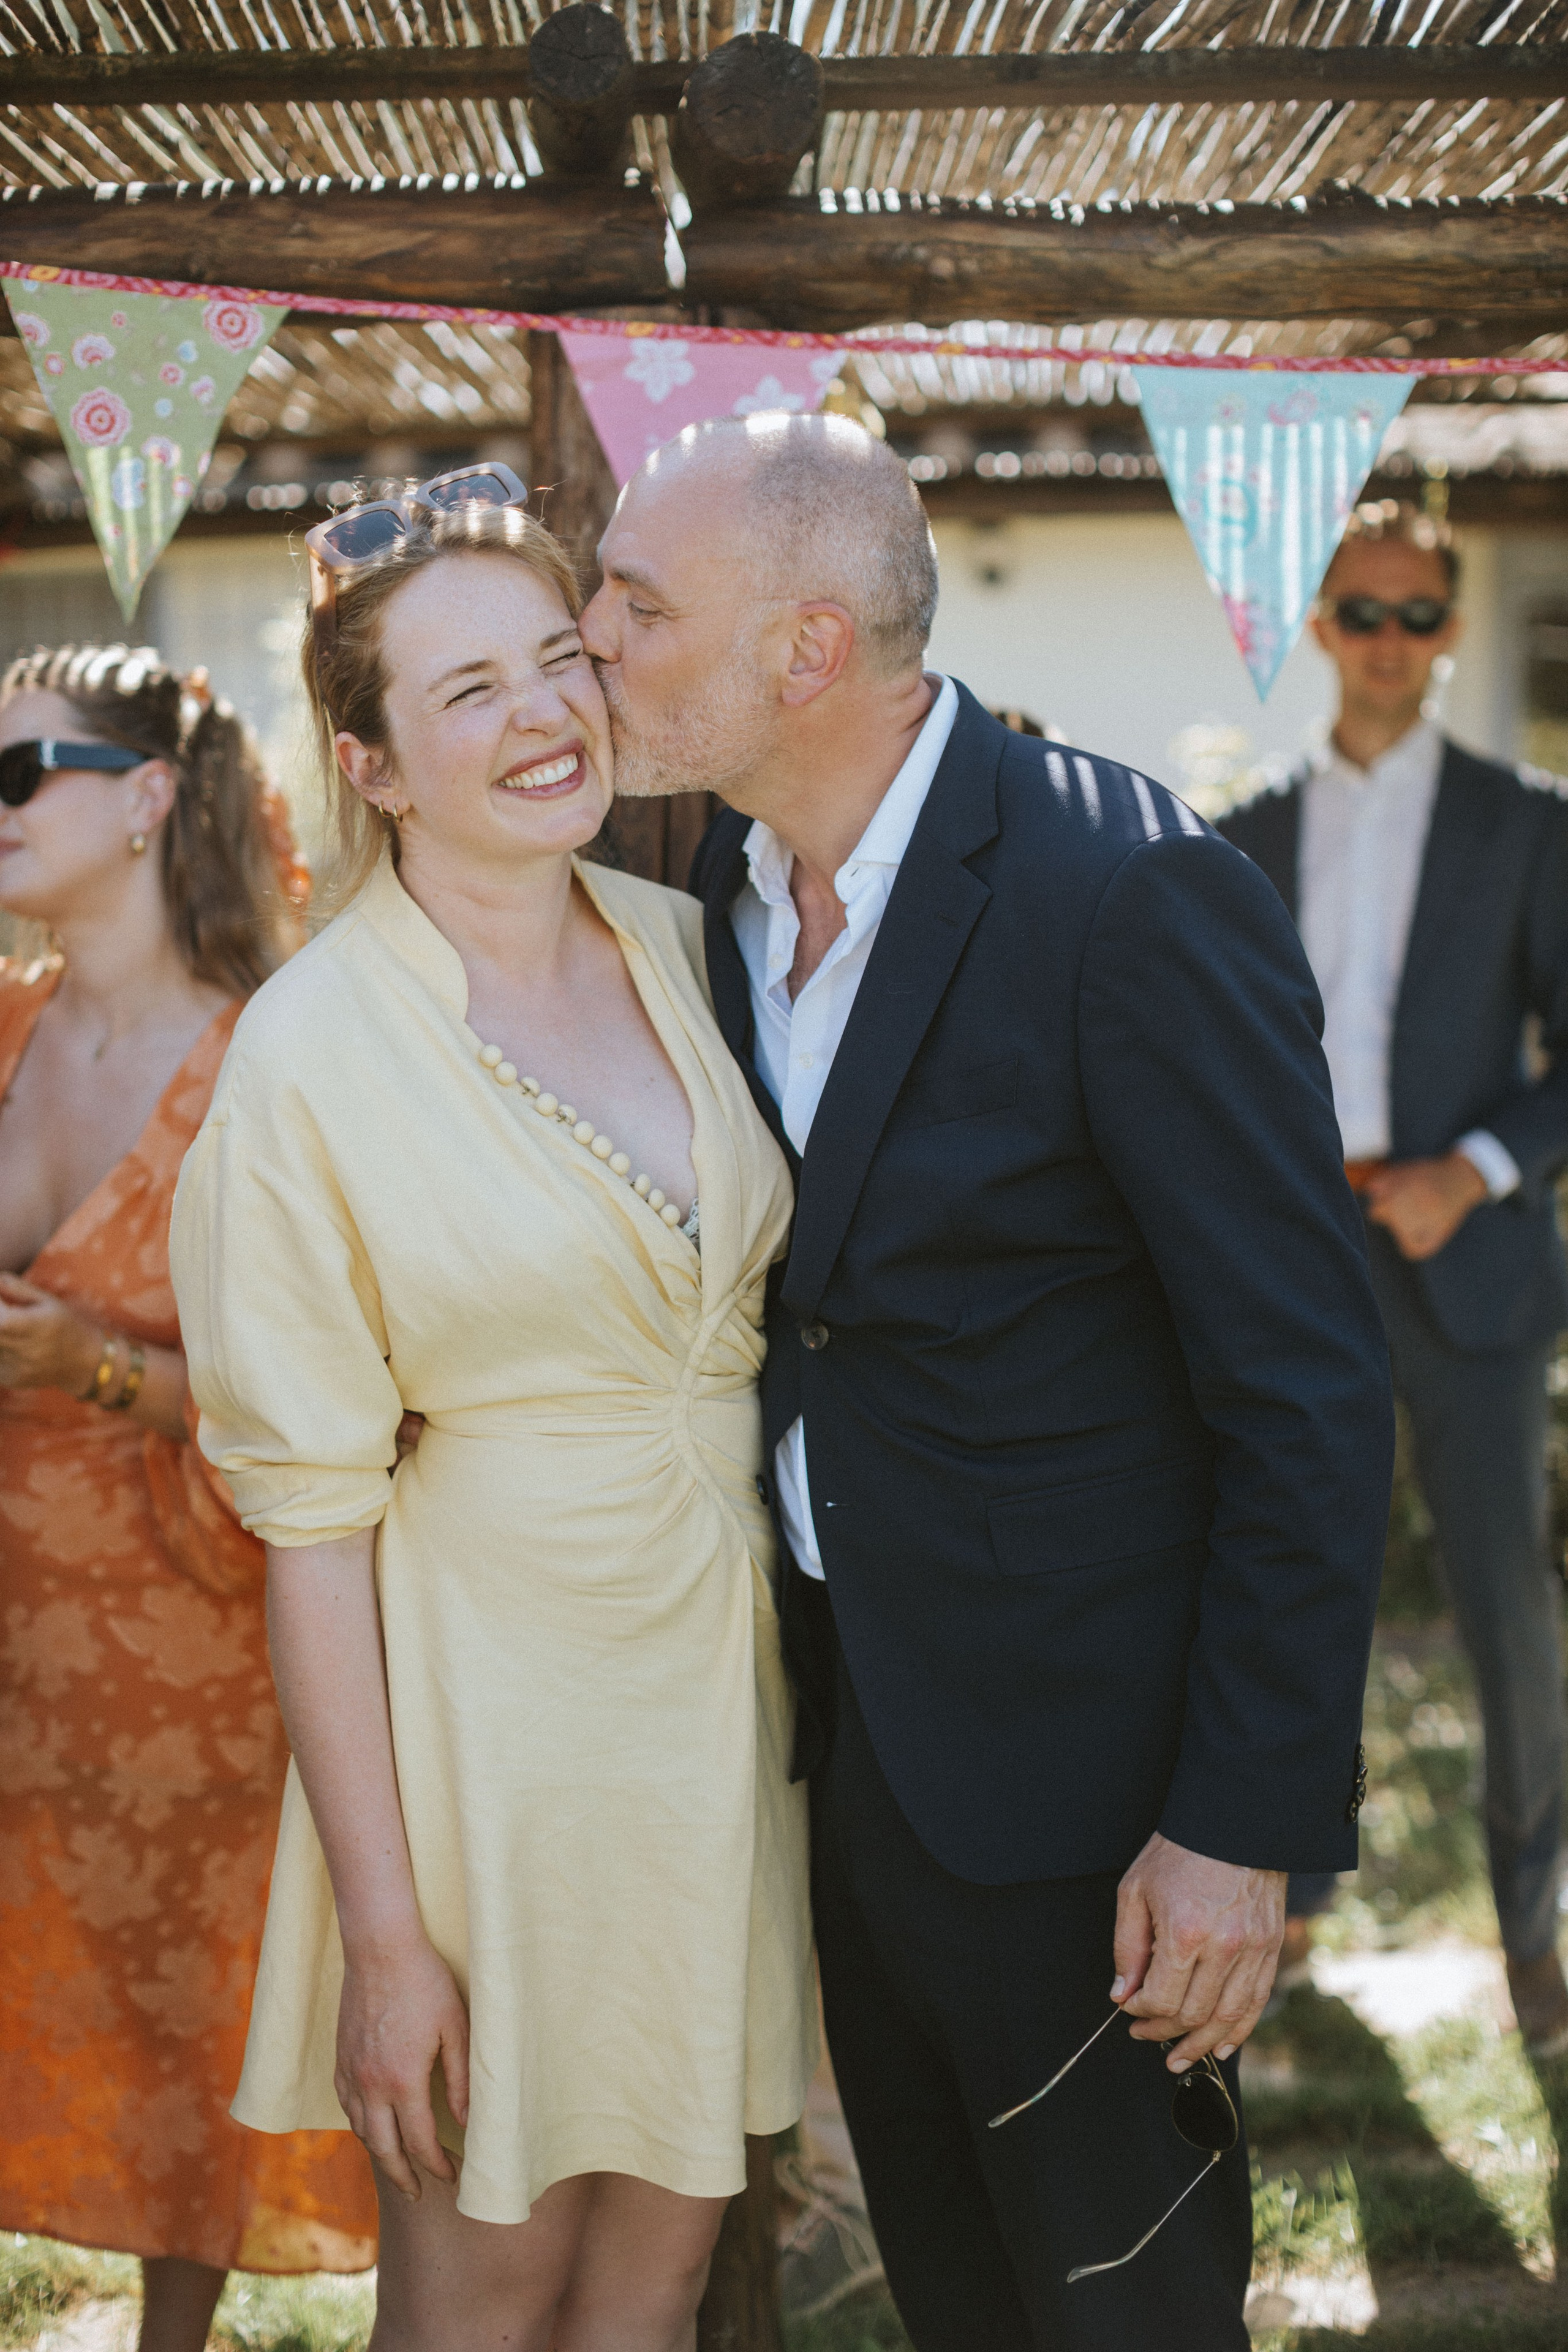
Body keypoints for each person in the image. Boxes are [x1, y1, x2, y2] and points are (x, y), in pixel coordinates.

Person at [578, 411, 1395, 2352]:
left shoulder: (1123, 889)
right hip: (853, 1754)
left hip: (1098, 1802)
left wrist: (1235, 1823)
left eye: (634, 603)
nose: (590, 640)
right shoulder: (723, 916)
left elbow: (1305, 1384)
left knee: (1125, 2313)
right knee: (963, 2301)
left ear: (804, 651)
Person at [168, 488, 815, 2352]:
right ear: (369, 763)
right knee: (486, 2281)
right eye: (470, 692)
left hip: (711, 1704)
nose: (545, 716)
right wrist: (387, 1938)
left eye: (557, 660)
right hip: (482, 1734)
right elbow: (311, 1527)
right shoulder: (307, 1055)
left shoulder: (697, 942)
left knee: (663, 2267)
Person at [0, 644, 377, 2352]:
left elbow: (328, 1395)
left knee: (185, 2006)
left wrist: (87, 1368)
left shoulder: (265, 1063)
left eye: (21, 776)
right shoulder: (0, 1024)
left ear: (147, 798)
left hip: (187, 1634)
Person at [1218, 502, 1568, 2057]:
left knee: (1508, 1613)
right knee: (1297, 1605)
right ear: (1317, 625)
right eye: (1361, 614)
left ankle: (1538, 1937)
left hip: (1469, 1270)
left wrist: (1474, 1170)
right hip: (1298, 1275)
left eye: (1419, 618)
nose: (1389, 644)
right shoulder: (1241, 838)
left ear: (1447, 629)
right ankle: (1284, 1924)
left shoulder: (1528, 822)